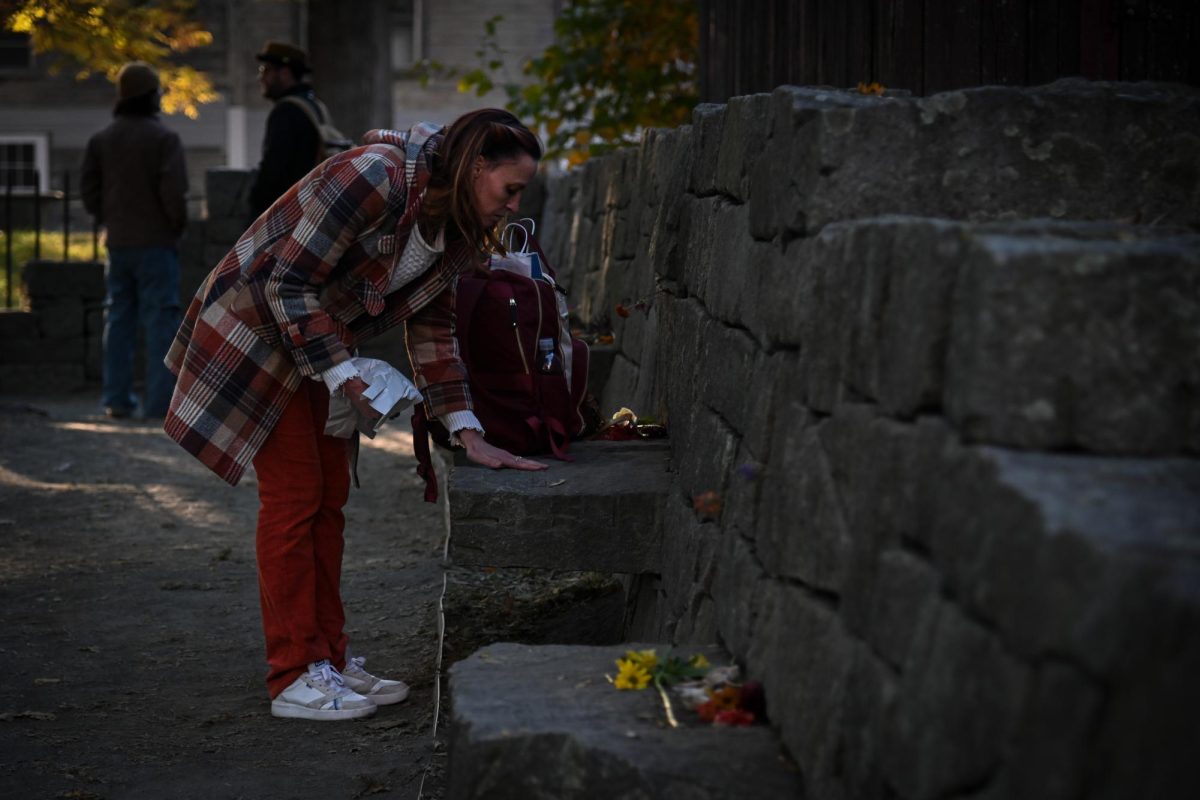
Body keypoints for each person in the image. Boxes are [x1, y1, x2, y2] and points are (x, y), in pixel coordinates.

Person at [163, 109, 548, 721]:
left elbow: (434, 327)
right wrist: (343, 372)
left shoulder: (455, 227)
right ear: (476, 167)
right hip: (259, 330)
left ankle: (329, 661)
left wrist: (466, 429)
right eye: (511, 188)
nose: (514, 204)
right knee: (295, 497)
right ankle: (293, 675)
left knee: (329, 497)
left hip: (317, 343)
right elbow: (285, 284)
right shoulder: (374, 177)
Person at [82, 61, 188, 420]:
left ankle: (117, 399)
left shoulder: (101, 140)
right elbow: (173, 192)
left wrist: (107, 218)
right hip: (157, 242)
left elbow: (89, 191)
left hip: (118, 241)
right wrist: (176, 225)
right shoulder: (164, 139)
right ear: (149, 96)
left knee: (119, 319)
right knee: (161, 322)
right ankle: (159, 404)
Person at [248, 40, 332, 219]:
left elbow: (274, 169)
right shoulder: (315, 106)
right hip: (312, 209)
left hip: (287, 214)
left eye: (266, 70)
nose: (261, 78)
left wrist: (255, 207)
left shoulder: (287, 111)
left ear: (285, 73)